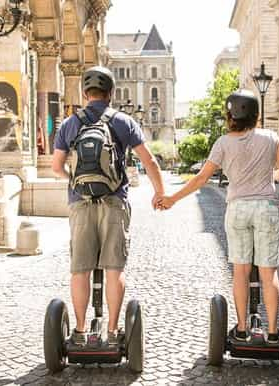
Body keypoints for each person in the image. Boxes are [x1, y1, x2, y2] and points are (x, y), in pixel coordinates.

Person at [157, 90, 279, 344]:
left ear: (230, 116)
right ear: (256, 114)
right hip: (266, 208)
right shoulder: (271, 138)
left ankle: (241, 329)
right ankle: (273, 333)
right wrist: (266, 179)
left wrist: (172, 199)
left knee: (240, 271)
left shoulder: (223, 143)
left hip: (238, 208)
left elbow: (201, 178)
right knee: (268, 272)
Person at [52, 66, 166, 345]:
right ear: (112, 93)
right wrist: (160, 193)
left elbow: (56, 167)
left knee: (80, 269)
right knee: (114, 267)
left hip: (80, 203)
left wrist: (74, 182)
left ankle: (79, 332)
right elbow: (149, 161)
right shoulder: (123, 121)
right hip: (115, 201)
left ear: (84, 92)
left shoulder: (70, 123)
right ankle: (113, 332)